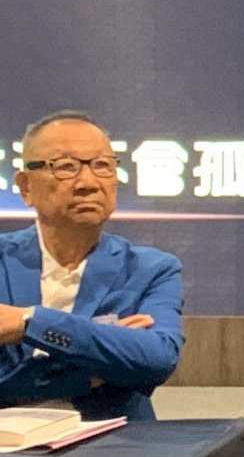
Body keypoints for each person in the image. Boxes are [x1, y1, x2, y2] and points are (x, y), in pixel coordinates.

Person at [0, 112, 185, 420]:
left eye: (102, 165)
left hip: (119, 443)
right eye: (65, 167)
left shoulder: (151, 269)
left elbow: (157, 359)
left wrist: (29, 322)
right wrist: (97, 366)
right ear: (25, 187)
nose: (88, 183)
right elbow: (131, 362)